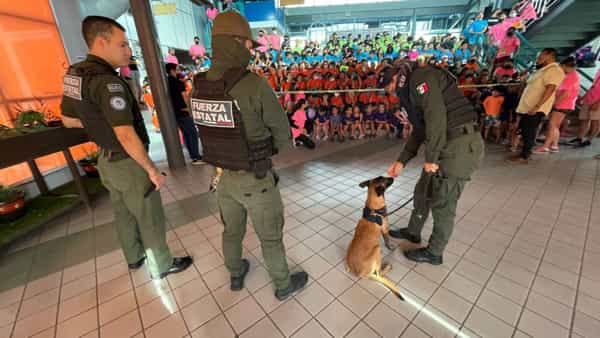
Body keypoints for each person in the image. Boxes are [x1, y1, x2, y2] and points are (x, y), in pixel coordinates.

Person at [60, 16, 192, 279]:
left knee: (123, 214)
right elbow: (125, 132)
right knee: (149, 215)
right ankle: (162, 264)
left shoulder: (75, 75)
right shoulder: (108, 83)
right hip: (128, 163)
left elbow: (68, 119)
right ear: (100, 42)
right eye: (122, 45)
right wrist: (151, 170)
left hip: (106, 161)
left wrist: (99, 126)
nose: (128, 51)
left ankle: (134, 257)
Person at [190, 11, 308, 300]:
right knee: (270, 236)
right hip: (256, 178)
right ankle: (283, 284)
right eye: (247, 45)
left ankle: (235, 273)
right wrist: (269, 150)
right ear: (233, 43)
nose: (250, 52)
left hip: (222, 179)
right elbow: (282, 132)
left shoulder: (199, 83)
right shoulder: (253, 84)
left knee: (232, 231)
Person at [381, 59, 484, 265]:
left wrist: (431, 158)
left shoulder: (421, 77)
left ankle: (434, 252)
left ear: (396, 78)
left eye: (391, 90)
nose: (393, 96)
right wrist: (402, 161)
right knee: (423, 191)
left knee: (443, 203)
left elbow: (436, 118)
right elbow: (420, 129)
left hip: (459, 146)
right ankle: (413, 231)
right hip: (445, 143)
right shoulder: (412, 88)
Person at [507, 48, 565, 164]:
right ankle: (524, 153)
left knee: (529, 131)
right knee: (524, 130)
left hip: (535, 108)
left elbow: (550, 88)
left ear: (549, 56)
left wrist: (537, 106)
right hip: (527, 107)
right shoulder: (542, 70)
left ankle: (525, 157)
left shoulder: (554, 70)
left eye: (540, 57)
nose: (538, 59)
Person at [534, 57, 579, 154]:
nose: (560, 70)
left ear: (566, 66)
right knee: (555, 126)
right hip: (566, 104)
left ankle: (545, 146)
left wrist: (554, 104)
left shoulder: (570, 75)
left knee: (552, 125)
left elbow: (565, 93)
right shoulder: (573, 74)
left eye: (562, 67)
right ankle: (554, 145)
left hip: (562, 104)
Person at [166, 63, 203, 165]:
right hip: (183, 111)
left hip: (174, 112)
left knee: (186, 134)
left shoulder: (166, 82)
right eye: (177, 69)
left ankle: (192, 154)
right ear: (172, 70)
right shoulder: (178, 83)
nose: (179, 71)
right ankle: (196, 156)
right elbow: (184, 96)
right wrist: (189, 108)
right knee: (192, 133)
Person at [568, 68, 600, 148]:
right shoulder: (598, 70)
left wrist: (597, 103)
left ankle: (589, 140)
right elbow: (593, 86)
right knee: (584, 119)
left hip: (597, 101)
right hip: (589, 98)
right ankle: (579, 138)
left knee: (595, 122)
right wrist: (584, 97)